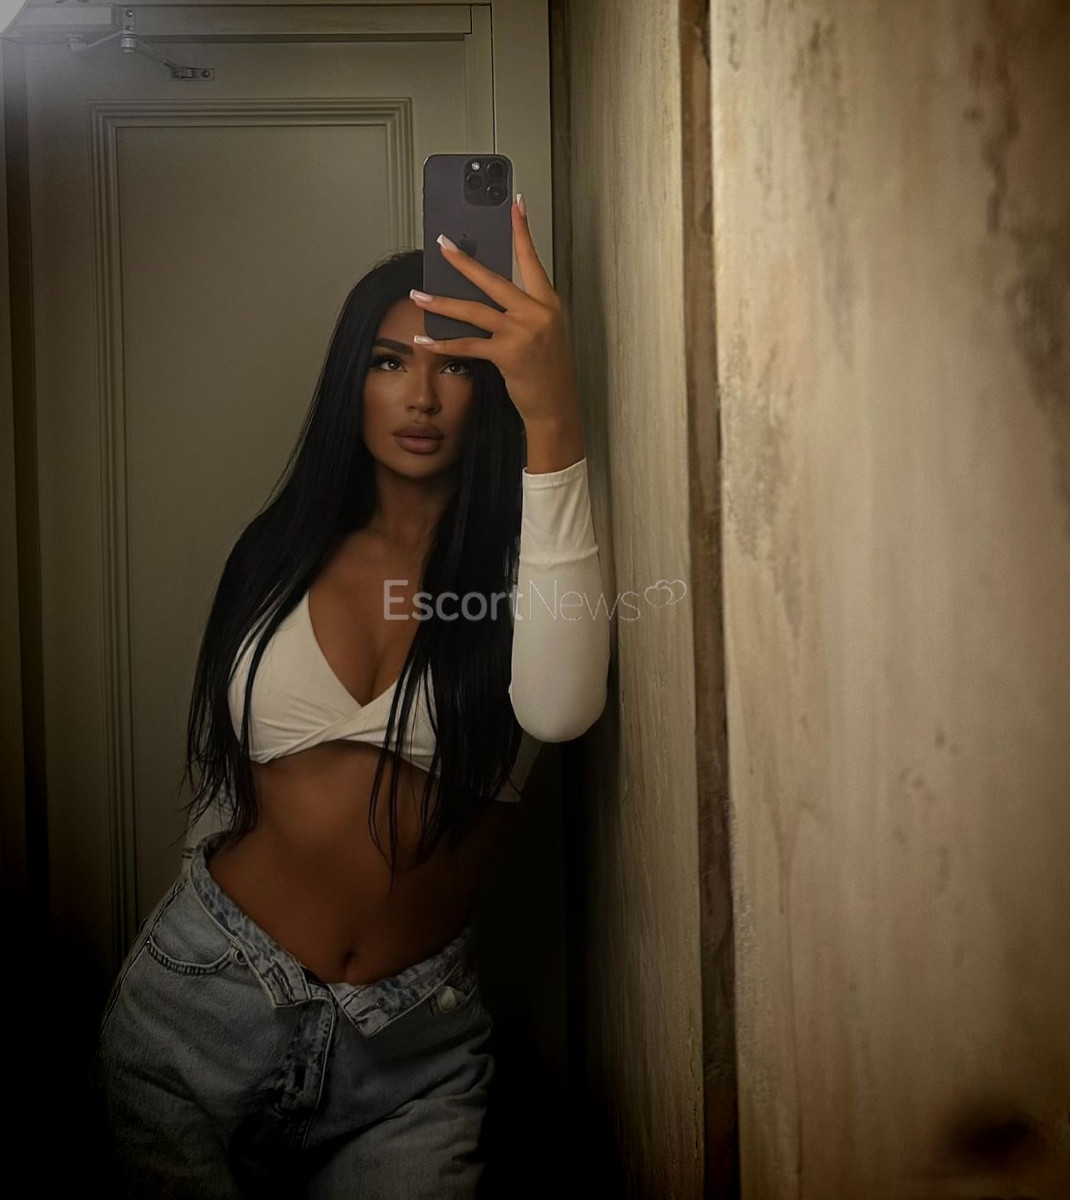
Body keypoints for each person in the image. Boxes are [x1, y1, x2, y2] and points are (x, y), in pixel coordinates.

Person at [94, 195, 611, 1198]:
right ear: (351, 382)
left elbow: (558, 713)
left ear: (488, 390)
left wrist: (553, 412)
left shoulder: (532, 575)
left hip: (410, 1059)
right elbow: (228, 787)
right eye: (387, 362)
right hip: (200, 1002)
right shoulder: (276, 551)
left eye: (454, 366)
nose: (419, 396)